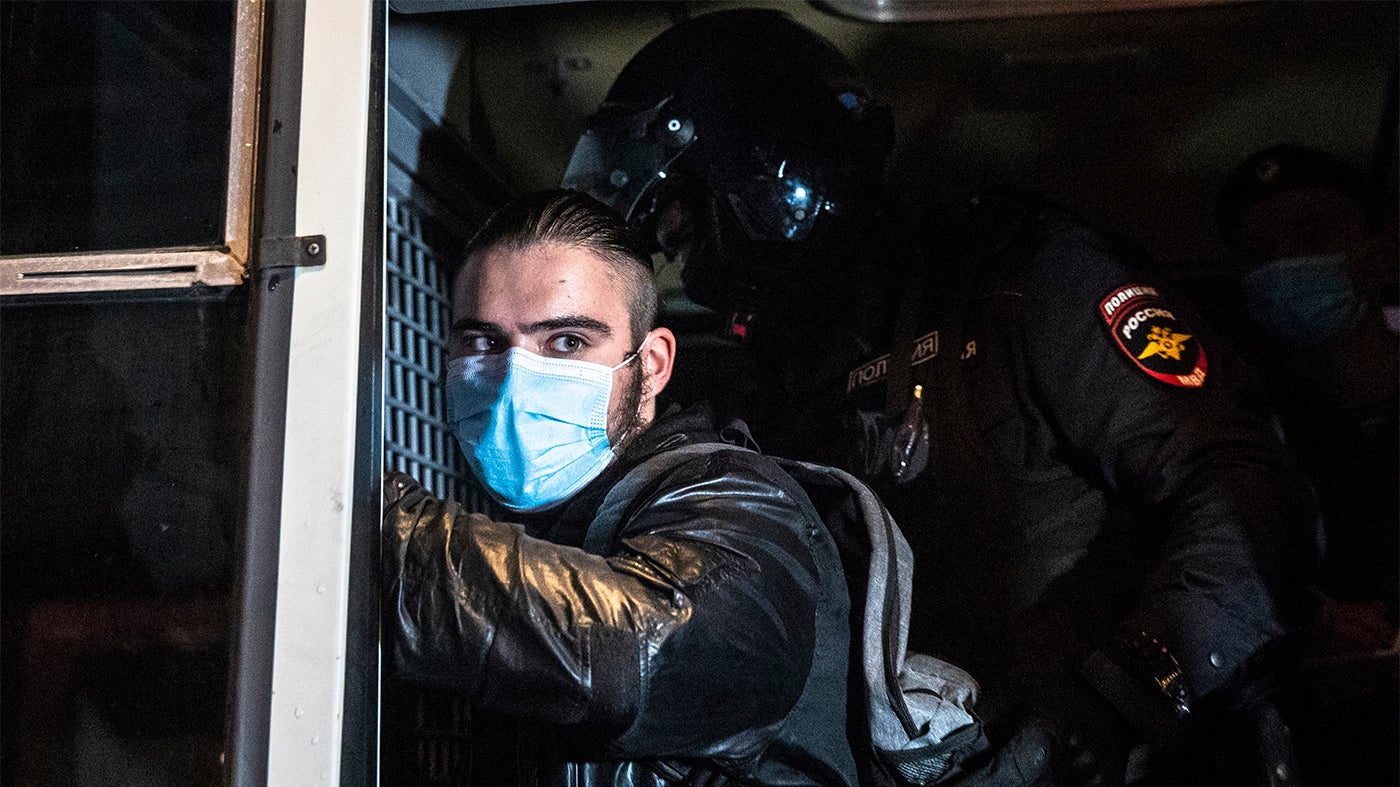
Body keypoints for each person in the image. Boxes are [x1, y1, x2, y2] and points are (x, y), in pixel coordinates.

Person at [564, 10, 1320, 784]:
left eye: (685, 230)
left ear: (763, 183)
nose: (687, 273)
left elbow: (1244, 490)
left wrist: (1124, 693)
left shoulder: (1023, 282)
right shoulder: (771, 393)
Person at [382, 189, 859, 786]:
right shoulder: (519, 537)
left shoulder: (744, 503)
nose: (512, 379)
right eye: (483, 343)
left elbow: (644, 649)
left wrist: (377, 538)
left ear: (652, 365)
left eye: (567, 343)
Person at [1217, 144, 1399, 616]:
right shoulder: (1243, 430)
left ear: (1381, 251)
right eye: (1258, 254)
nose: (1284, 266)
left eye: (1314, 236)